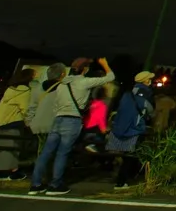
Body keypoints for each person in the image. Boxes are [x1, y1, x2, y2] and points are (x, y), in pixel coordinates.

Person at [30, 57, 116, 196]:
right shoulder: (84, 82)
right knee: (62, 153)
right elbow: (110, 77)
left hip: (58, 119)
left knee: (46, 152)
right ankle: (55, 185)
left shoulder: (62, 83)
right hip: (72, 120)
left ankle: (35, 184)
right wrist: (105, 64)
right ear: (85, 69)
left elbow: (56, 104)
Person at [107, 71, 155, 190]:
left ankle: (122, 178)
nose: (151, 81)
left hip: (121, 128)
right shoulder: (145, 93)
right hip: (134, 129)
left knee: (124, 155)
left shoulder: (127, 94)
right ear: (145, 80)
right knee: (130, 156)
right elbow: (150, 110)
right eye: (149, 79)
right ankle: (121, 181)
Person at [0, 67, 34, 181]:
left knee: (0, 148)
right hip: (14, 121)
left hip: (2, 121)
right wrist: (29, 123)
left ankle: (1, 172)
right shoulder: (24, 91)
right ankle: (8, 172)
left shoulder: (10, 89)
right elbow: (25, 109)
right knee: (12, 148)